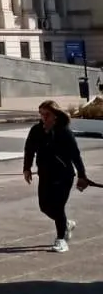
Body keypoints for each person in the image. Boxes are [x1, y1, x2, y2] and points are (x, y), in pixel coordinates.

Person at [23, 100, 90, 252]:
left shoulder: (64, 132)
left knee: (58, 207)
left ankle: (61, 240)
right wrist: (26, 168)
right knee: (44, 206)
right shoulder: (36, 130)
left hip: (64, 176)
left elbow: (75, 155)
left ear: (55, 116)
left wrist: (82, 175)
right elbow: (29, 149)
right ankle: (66, 224)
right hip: (45, 175)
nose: (44, 118)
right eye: (41, 114)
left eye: (47, 114)